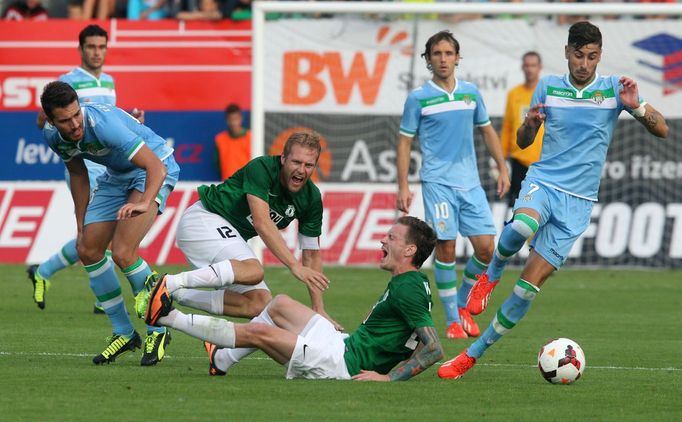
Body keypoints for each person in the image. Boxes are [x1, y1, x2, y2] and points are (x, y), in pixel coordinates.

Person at [439, 21, 669, 380]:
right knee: (520, 225)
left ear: (599, 56)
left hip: (578, 204)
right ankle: (491, 275)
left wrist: (636, 107)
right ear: (566, 52)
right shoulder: (547, 87)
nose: (584, 64)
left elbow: (662, 128)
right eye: (578, 55)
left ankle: (470, 355)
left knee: (526, 290)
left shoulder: (613, 89)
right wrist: (530, 123)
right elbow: (525, 141)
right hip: (544, 181)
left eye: (592, 57)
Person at [139, 216, 443, 381]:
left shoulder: (408, 289)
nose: (382, 240)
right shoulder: (412, 281)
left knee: (258, 333)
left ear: (409, 251)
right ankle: (222, 357)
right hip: (344, 344)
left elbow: (434, 348)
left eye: (391, 238)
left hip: (340, 364)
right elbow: (406, 337)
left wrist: (389, 379)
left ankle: (166, 317)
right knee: (279, 303)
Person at [131, 131, 339, 369]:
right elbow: (262, 222)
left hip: (229, 235)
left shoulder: (311, 198)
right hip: (204, 219)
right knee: (254, 270)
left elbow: (311, 255)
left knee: (262, 305)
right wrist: (293, 265)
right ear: (283, 159)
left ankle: (167, 294)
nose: (301, 170)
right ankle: (168, 284)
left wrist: (318, 308)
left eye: (309, 165)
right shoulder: (262, 168)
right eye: (296, 162)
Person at [40, 81, 181, 366]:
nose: (75, 124)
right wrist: (80, 223)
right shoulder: (54, 137)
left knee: (123, 252)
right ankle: (124, 332)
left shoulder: (101, 124)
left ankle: (158, 328)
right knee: (88, 249)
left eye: (76, 114)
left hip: (150, 169)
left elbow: (156, 166)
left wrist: (144, 202)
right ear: (52, 122)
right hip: (116, 177)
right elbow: (78, 174)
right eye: (65, 121)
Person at [396, 30, 510, 340]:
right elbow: (405, 143)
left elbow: (487, 131)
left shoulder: (471, 93)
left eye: (448, 53)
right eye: (437, 54)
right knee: (445, 246)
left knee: (487, 248)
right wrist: (403, 185)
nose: (443, 59)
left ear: (457, 58)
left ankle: (461, 305)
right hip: (438, 183)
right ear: (428, 59)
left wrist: (502, 167)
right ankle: (451, 321)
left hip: (470, 183)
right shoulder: (418, 97)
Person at [29, 24, 144, 315]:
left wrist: (130, 120)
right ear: (81, 49)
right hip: (85, 167)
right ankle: (97, 294)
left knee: (103, 232)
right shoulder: (68, 80)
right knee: (98, 232)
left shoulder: (109, 81)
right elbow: (42, 120)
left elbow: (105, 121)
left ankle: (44, 271)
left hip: (108, 165)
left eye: (102, 46)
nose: (97, 52)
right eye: (91, 47)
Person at [500, 51, 544, 208]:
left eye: (533, 65)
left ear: (540, 67)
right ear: (522, 67)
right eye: (526, 65)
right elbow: (507, 127)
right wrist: (501, 158)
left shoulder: (545, 92)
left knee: (539, 209)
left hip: (541, 162)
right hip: (519, 160)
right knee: (517, 211)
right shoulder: (514, 93)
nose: (529, 69)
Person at [214, 103, 251, 180]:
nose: (233, 122)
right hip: (227, 185)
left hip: (247, 184)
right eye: (230, 119)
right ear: (226, 120)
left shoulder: (251, 137)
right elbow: (217, 165)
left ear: (241, 118)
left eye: (236, 119)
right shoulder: (219, 139)